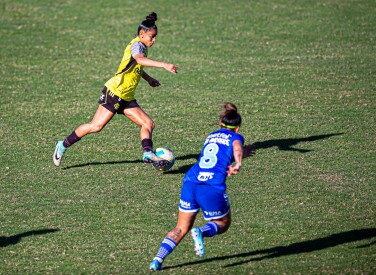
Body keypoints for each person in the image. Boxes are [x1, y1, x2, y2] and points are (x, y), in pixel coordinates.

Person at [53, 12, 179, 168]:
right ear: (141, 34)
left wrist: (149, 79)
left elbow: (136, 66)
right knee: (96, 126)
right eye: (151, 37)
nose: (153, 40)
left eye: (155, 37)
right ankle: (63, 144)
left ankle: (147, 153)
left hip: (126, 96)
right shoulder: (137, 45)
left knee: (148, 123)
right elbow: (139, 60)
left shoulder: (143, 47)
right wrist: (164, 65)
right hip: (114, 92)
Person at [149, 103, 254, 271]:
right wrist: (239, 162)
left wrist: (237, 155)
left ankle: (157, 259)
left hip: (191, 182)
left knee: (181, 227)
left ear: (220, 124)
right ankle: (201, 232)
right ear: (238, 128)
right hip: (210, 186)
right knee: (222, 223)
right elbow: (235, 148)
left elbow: (217, 156)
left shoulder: (211, 135)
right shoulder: (237, 137)